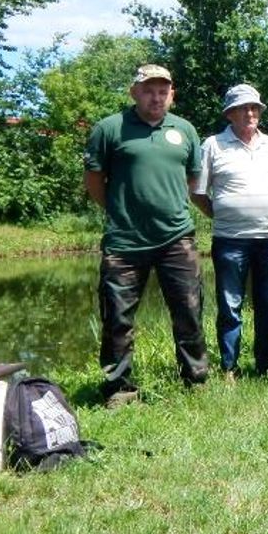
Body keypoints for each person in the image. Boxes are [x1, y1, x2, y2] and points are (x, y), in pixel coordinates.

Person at [83, 64, 209, 407]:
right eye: (149, 90)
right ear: (134, 92)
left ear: (172, 94)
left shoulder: (184, 130)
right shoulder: (110, 129)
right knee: (117, 317)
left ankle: (195, 378)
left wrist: (168, 205)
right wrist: (119, 210)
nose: (156, 96)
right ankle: (118, 388)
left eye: (163, 90)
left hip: (177, 238)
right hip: (124, 242)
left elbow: (192, 181)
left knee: (189, 309)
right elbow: (94, 182)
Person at [192, 84, 268, 380]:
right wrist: (221, 214)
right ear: (230, 114)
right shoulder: (212, 145)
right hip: (230, 240)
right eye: (243, 108)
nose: (250, 113)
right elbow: (197, 192)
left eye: (255, 108)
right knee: (230, 305)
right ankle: (229, 367)